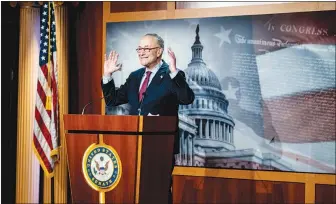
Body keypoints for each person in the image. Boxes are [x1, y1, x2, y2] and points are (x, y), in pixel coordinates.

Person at [101, 33, 195, 203]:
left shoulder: (171, 75)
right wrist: (107, 76)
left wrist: (174, 72)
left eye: (146, 48)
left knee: (156, 193)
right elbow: (112, 100)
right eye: (139, 48)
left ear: (159, 51)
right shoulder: (135, 76)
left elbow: (187, 98)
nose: (141, 52)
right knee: (132, 190)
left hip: (160, 147)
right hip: (131, 146)